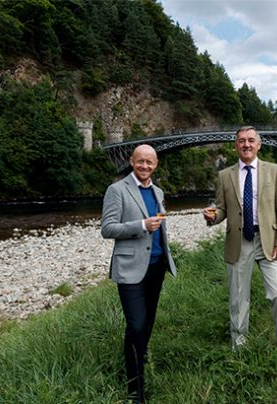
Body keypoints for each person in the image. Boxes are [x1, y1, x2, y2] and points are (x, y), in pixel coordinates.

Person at [202, 126, 277, 360]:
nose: (246, 144)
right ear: (236, 145)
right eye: (241, 141)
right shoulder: (225, 176)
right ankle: (240, 346)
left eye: (251, 140)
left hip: (270, 242)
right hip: (239, 241)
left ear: (259, 144)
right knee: (238, 297)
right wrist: (214, 217)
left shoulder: (275, 171)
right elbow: (222, 208)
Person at [101, 144, 177, 403]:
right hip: (130, 268)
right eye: (140, 161)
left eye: (150, 162)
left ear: (155, 165)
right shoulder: (117, 190)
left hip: (156, 267)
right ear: (132, 162)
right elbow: (108, 228)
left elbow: (161, 227)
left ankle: (139, 363)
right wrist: (141, 225)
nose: (145, 166)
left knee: (146, 324)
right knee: (136, 325)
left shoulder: (158, 191)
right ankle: (136, 391)